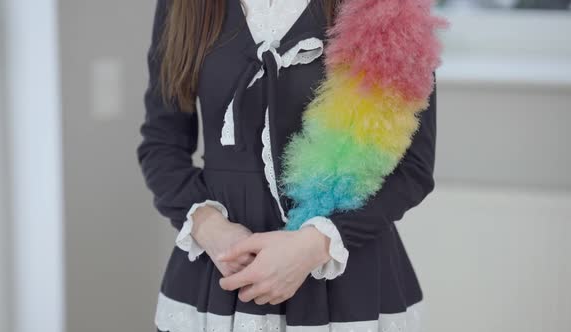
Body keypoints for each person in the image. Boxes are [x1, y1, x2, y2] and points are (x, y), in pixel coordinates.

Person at [136, 0, 445, 331]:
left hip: (345, 279)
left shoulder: (390, 7)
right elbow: (162, 144)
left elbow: (412, 169)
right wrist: (209, 229)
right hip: (220, 274)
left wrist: (315, 245)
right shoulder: (185, 6)